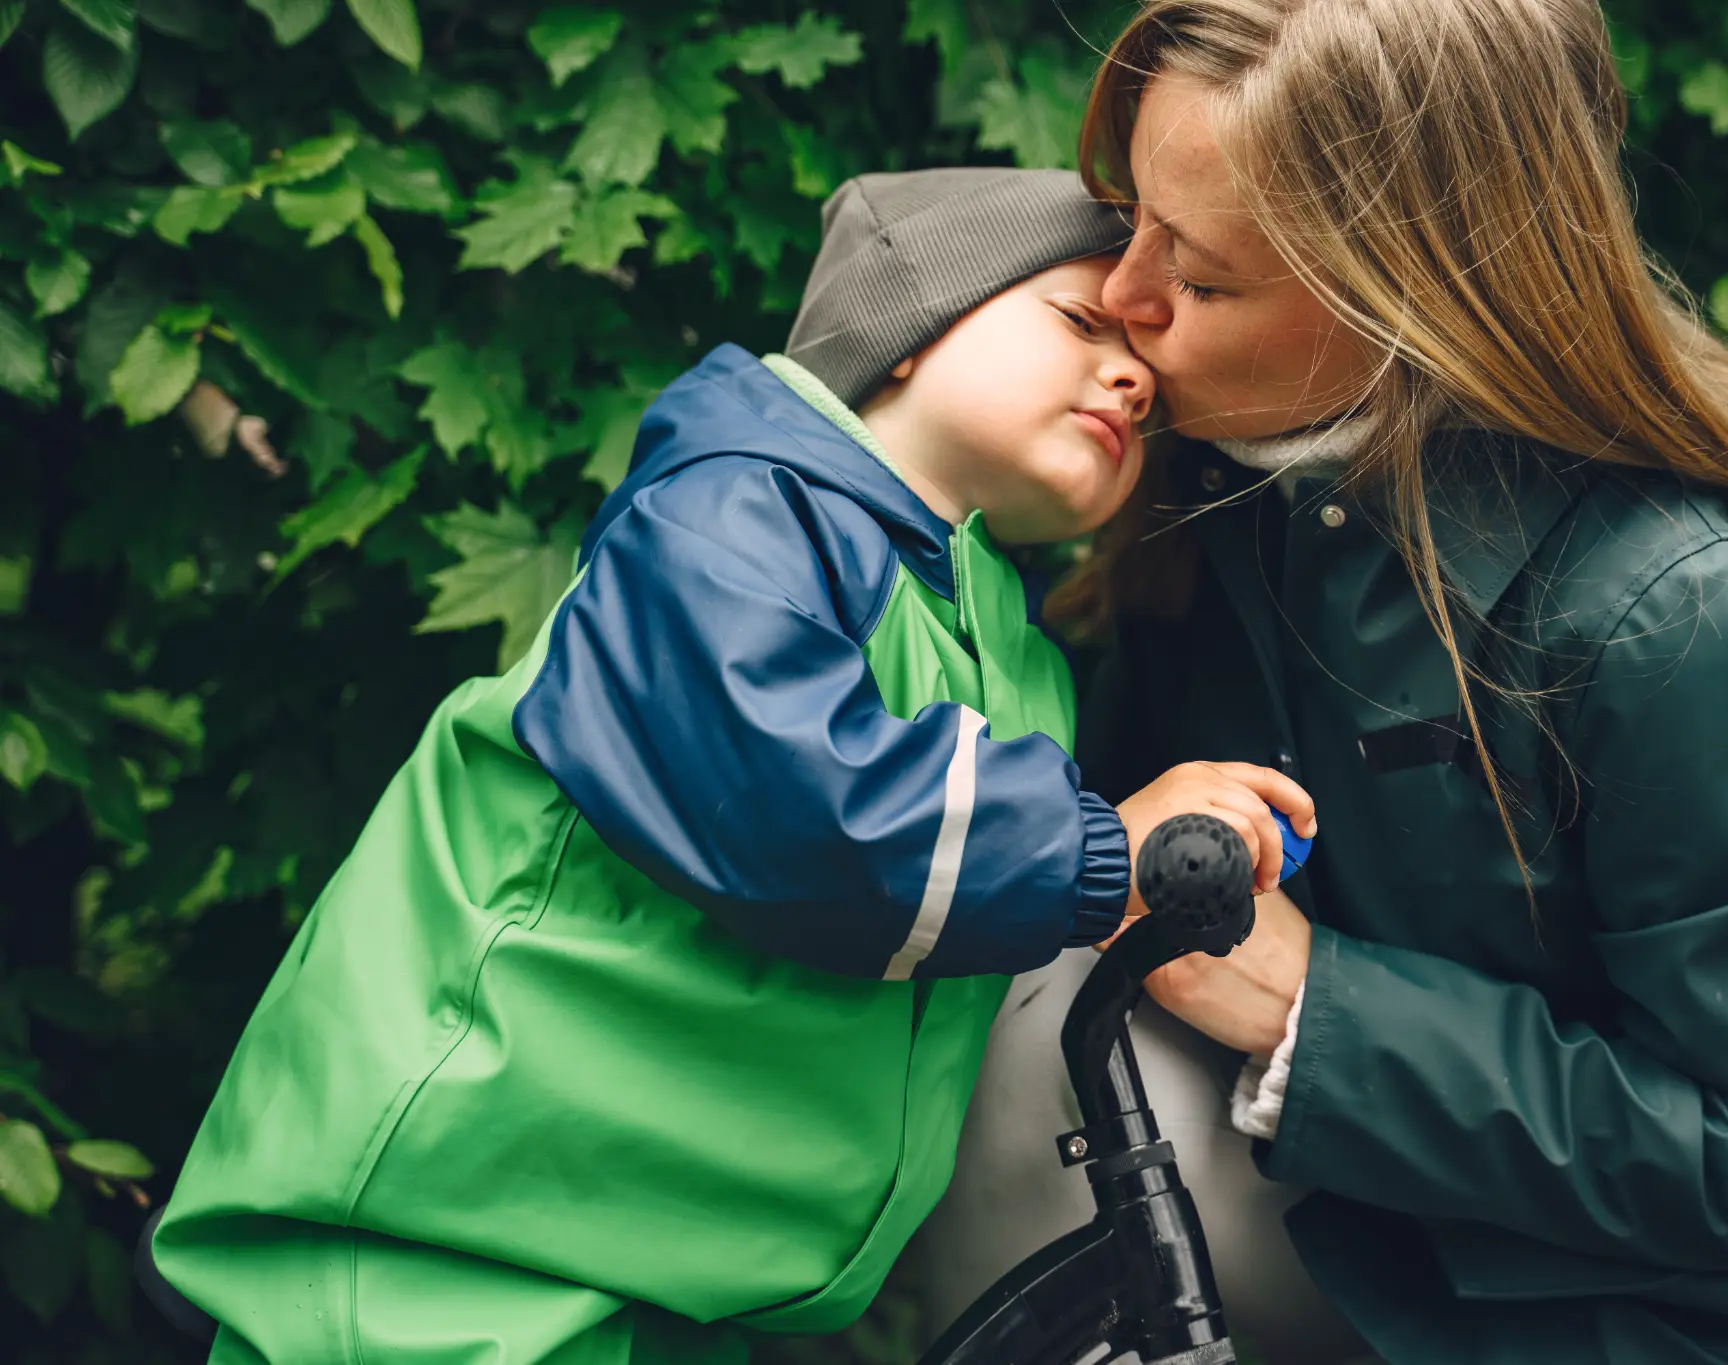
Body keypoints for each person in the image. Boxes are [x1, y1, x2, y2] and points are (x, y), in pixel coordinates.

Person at [922, 4, 1728, 1365]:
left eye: (1198, 278)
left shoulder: (1699, 609)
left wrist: (1314, 1010)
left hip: (1704, 1320)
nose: (1119, 299)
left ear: (1403, 298)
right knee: (1025, 983)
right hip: (1383, 1237)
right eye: (1127, 216)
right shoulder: (1222, 480)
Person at [144, 166, 1314, 1365]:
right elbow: (797, 801)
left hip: (664, 1264)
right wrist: (1105, 848)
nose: (1130, 374)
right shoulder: (740, 509)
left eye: (1147, 386)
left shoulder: (1004, 648)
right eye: (1079, 323)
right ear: (903, 335)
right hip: (450, 1241)